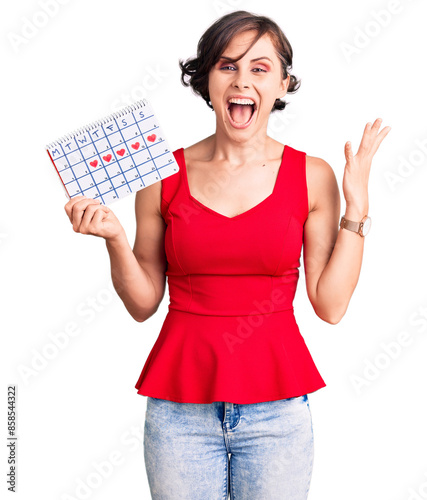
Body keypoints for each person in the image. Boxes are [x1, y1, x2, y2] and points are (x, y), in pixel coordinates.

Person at [64, 9, 390, 500]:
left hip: (278, 412)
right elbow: (142, 303)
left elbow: (330, 304)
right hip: (179, 414)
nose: (242, 80)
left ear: (282, 84)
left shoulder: (312, 175)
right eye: (226, 65)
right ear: (207, 83)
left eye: (260, 68)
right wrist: (113, 237)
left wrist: (357, 207)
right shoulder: (161, 175)